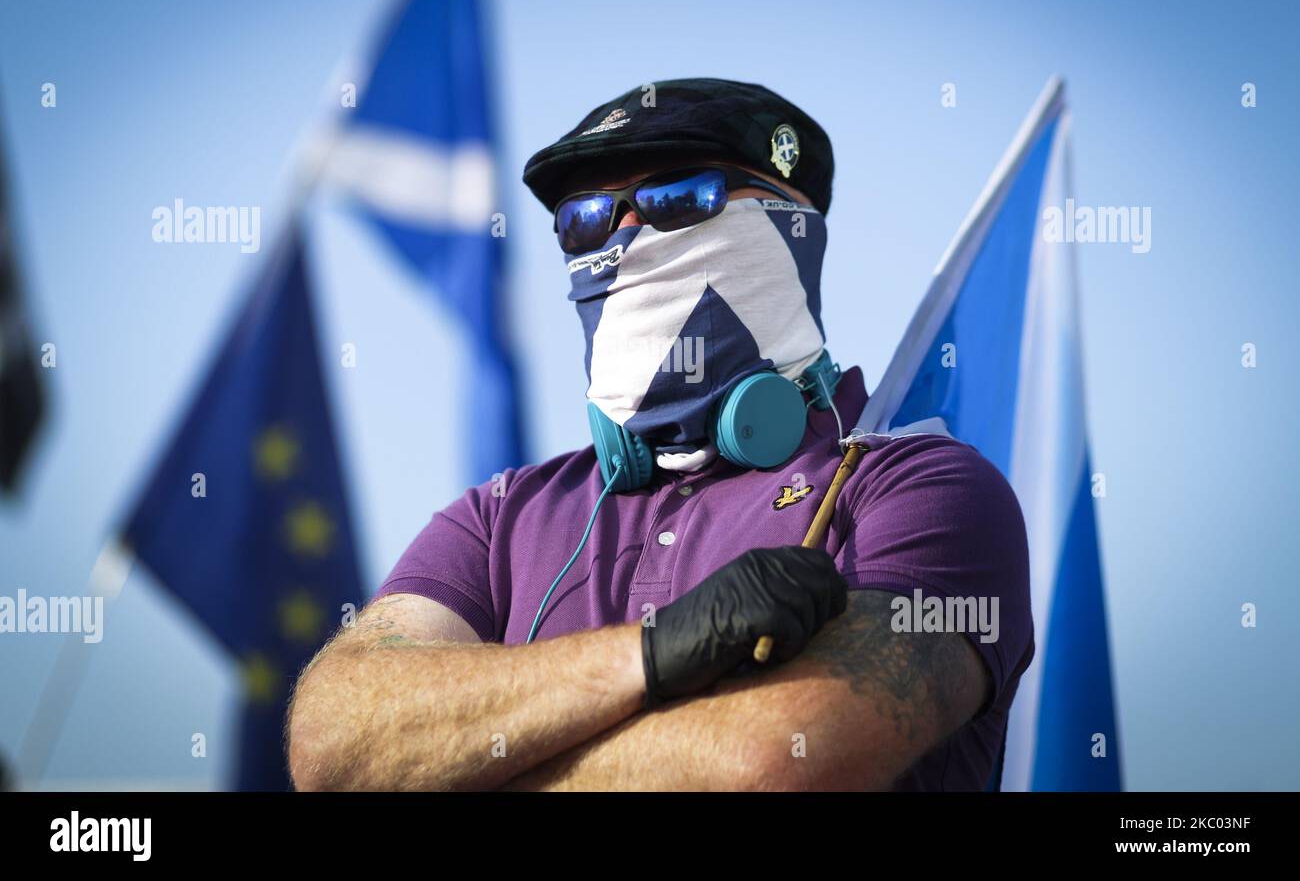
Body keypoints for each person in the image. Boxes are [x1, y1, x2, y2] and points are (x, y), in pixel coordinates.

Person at [287, 78, 1033, 791]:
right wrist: (651, 654)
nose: (625, 233)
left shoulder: (924, 493)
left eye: (678, 196)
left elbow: (774, 761)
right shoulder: (499, 516)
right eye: (587, 218)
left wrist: (466, 768)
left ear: (794, 225)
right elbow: (332, 740)